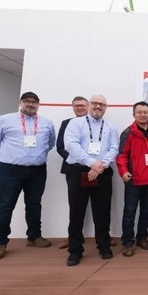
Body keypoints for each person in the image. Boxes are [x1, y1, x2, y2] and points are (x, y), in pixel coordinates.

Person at [0, 91, 56, 260]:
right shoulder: (4, 120)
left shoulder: (47, 123)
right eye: (27, 101)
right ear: (20, 103)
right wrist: (10, 156)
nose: (30, 104)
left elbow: (50, 143)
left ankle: (34, 236)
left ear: (38, 105)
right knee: (4, 206)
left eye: (34, 102)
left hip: (37, 170)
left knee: (34, 204)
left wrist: (35, 156)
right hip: (9, 170)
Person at [63, 94, 119, 266]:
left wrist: (100, 165)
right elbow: (71, 145)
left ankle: (104, 246)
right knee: (76, 212)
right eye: (95, 103)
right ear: (89, 105)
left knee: (102, 211)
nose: (98, 106)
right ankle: (75, 251)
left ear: (106, 108)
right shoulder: (75, 123)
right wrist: (91, 163)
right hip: (78, 170)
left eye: (102, 104)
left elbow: (114, 148)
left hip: (102, 172)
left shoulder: (110, 127)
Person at [116, 101, 148, 257]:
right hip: (133, 179)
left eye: (145, 112)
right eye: (139, 112)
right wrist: (123, 171)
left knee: (146, 211)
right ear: (134, 114)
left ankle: (142, 238)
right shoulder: (128, 133)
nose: (143, 115)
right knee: (130, 212)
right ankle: (127, 242)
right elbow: (121, 155)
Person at [56, 96, 88, 250]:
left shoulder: (96, 123)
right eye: (76, 106)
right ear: (73, 107)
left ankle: (103, 236)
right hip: (73, 168)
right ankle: (74, 236)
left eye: (82, 105)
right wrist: (75, 160)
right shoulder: (66, 123)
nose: (79, 108)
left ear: (88, 106)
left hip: (94, 168)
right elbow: (60, 146)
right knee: (75, 204)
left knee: (99, 204)